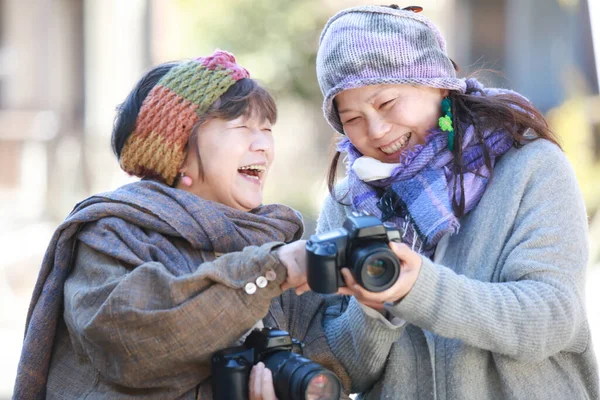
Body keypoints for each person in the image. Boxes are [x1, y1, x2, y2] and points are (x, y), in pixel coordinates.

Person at [13, 50, 350, 399]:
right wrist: (272, 270)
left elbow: (338, 360)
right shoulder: (112, 234)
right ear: (178, 152)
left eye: (266, 129)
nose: (264, 145)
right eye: (242, 127)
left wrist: (383, 300)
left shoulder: (268, 237)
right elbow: (135, 342)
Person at [313, 4, 599, 399]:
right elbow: (340, 369)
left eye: (387, 103)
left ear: (438, 83)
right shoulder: (348, 204)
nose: (376, 132)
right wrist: (376, 309)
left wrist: (419, 290)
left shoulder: (530, 167)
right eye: (352, 119)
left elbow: (552, 318)